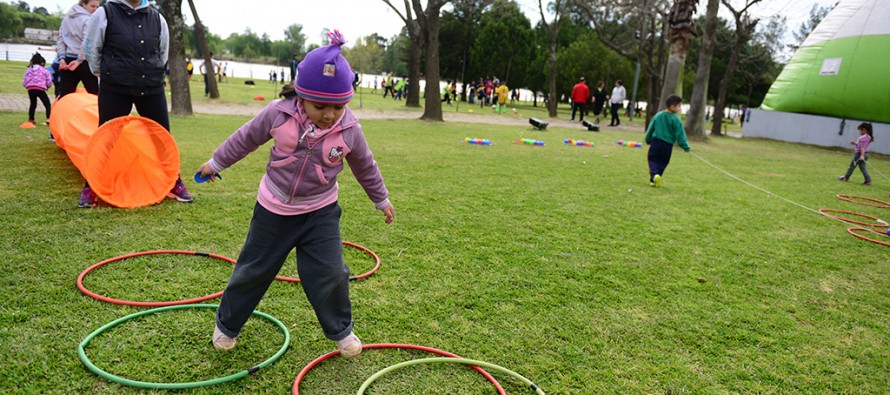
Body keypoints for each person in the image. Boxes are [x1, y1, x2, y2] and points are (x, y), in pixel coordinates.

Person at [196, 31, 395, 358]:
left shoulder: (349, 129)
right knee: (253, 270)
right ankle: (227, 325)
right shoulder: (279, 112)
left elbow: (365, 165)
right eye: (320, 106)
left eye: (338, 106)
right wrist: (216, 161)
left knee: (331, 272)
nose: (329, 115)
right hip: (273, 209)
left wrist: (381, 198)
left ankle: (342, 332)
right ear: (301, 96)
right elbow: (245, 138)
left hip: (320, 212)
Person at [81, 0, 192, 207]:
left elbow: (162, 52)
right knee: (106, 138)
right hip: (115, 86)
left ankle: (173, 181)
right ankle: (91, 186)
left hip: (151, 87)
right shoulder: (104, 13)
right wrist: (107, 74)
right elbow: (92, 50)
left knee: (162, 137)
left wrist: (153, 72)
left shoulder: (158, 18)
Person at [56, 0, 100, 98]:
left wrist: (62, 58)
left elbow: (61, 39)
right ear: (84, 4)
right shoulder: (89, 20)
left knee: (64, 96)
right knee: (95, 94)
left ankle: (60, 113)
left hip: (68, 60)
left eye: (97, 7)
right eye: (93, 6)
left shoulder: (66, 18)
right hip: (84, 61)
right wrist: (79, 60)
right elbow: (87, 41)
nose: (95, 10)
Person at [644, 94, 690, 188]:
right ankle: (656, 177)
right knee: (663, 161)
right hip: (668, 145)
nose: (680, 108)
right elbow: (680, 134)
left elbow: (651, 128)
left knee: (652, 159)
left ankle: (654, 176)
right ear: (672, 106)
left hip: (656, 142)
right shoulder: (676, 120)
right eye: (679, 106)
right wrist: (685, 146)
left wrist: (648, 139)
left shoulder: (658, 115)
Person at [21, 53, 53, 129]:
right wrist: (47, 86)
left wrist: (27, 86)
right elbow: (49, 81)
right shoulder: (45, 71)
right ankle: (48, 118)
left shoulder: (28, 70)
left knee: (33, 104)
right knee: (47, 104)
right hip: (40, 89)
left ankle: (31, 119)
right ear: (42, 63)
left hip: (30, 89)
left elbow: (25, 80)